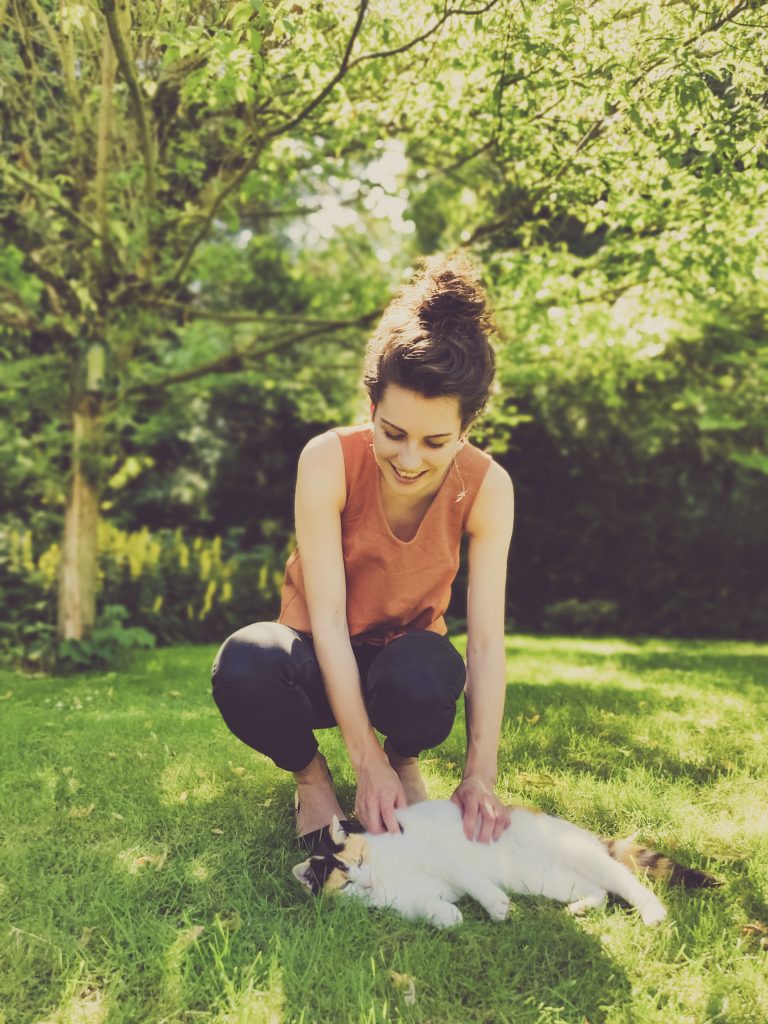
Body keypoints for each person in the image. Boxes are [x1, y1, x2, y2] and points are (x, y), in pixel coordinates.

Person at [211, 252, 515, 852]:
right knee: (245, 661)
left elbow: (484, 642)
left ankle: (404, 760)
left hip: (400, 663)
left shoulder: (488, 488)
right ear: (372, 409)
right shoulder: (327, 459)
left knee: (432, 672)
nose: (408, 459)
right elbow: (325, 619)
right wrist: (361, 758)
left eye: (435, 442)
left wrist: (480, 774)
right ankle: (312, 777)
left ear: (466, 429)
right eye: (393, 433)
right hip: (316, 662)